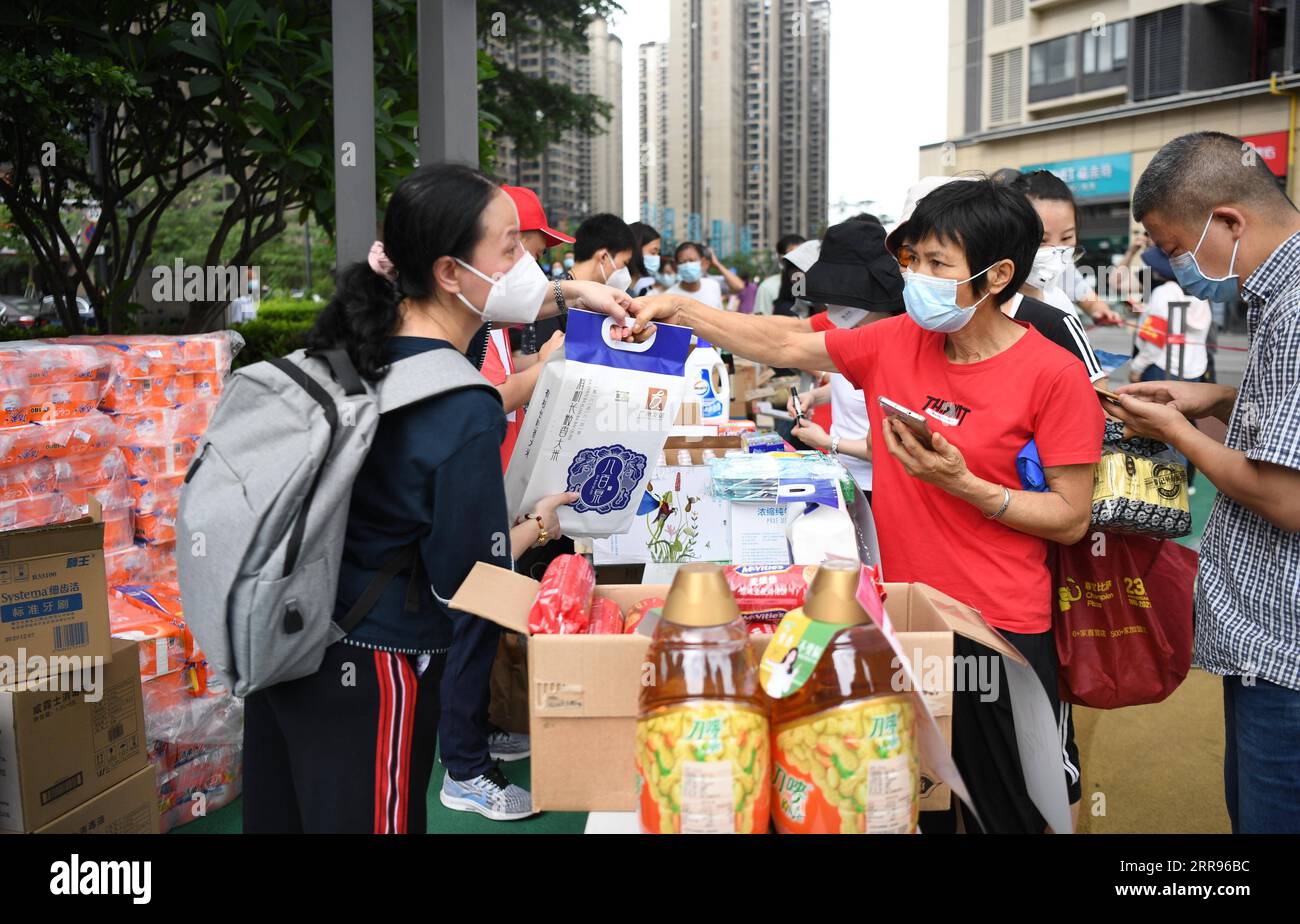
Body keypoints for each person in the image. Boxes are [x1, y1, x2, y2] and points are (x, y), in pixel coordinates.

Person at [631, 177, 1104, 833]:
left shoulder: (1053, 375)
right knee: (920, 802)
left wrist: (968, 486)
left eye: (938, 264)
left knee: (1011, 812)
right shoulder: (898, 339)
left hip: (995, 631)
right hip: (902, 619)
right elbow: (788, 341)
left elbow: (1071, 516)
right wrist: (682, 309)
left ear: (997, 275)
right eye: (912, 261)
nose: (917, 278)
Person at [241, 163, 633, 834]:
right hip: (371, 669)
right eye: (510, 247)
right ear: (450, 272)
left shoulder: (353, 352)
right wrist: (537, 528)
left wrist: (576, 296)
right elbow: (469, 581)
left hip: (284, 643)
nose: (525, 265)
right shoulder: (460, 404)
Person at [1108, 131, 1300, 834]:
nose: (1174, 265)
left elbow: (1289, 497)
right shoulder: (1278, 300)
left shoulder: (1296, 310)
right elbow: (1280, 433)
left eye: (1176, 246)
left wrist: (1177, 434)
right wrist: (1215, 400)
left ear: (1228, 222)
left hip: (1287, 653)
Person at [784, 216, 904, 502]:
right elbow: (851, 386)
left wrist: (828, 442)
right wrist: (815, 397)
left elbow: (891, 448)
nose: (830, 307)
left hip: (876, 489)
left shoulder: (894, 343)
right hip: (843, 475)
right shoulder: (850, 331)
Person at [1009, 169, 1124, 326]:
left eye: (1067, 237)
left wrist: (1101, 311)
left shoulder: (1063, 280)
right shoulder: (996, 305)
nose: (1056, 250)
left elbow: (1088, 299)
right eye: (1042, 240)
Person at [517, 213, 635, 356]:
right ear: (604, 256)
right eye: (624, 264)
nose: (624, 272)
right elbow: (545, 361)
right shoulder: (552, 296)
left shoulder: (596, 301)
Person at [666, 241, 744, 309]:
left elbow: (739, 286)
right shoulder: (669, 296)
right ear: (676, 266)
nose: (688, 265)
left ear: (703, 262)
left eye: (692, 260)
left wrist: (717, 264)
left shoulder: (713, 285)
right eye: (682, 262)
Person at [755, 234, 807, 315]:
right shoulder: (767, 287)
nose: (797, 262)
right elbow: (761, 320)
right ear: (781, 259)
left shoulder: (819, 285)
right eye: (792, 259)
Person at [629, 221, 662, 297]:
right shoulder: (619, 289)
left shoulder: (642, 289)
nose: (657, 258)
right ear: (636, 249)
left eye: (658, 253)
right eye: (653, 252)